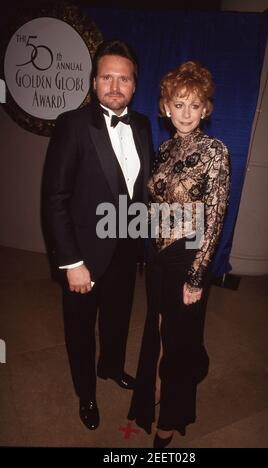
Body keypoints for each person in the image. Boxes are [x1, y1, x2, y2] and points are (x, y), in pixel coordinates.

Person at [42, 40, 153, 430]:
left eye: (123, 78)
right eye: (107, 76)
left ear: (134, 86)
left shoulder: (140, 125)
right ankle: (86, 393)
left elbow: (140, 190)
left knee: (119, 318)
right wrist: (71, 262)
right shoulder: (72, 124)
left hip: (126, 249)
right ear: (93, 82)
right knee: (80, 330)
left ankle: (111, 367)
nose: (115, 85)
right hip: (83, 255)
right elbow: (55, 198)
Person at [128, 61, 230, 447]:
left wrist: (196, 276)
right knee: (157, 329)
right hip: (157, 258)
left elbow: (216, 218)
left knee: (179, 339)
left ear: (205, 109)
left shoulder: (214, 151)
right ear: (166, 106)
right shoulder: (166, 148)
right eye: (178, 103)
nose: (186, 112)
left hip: (189, 257)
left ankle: (170, 418)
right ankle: (154, 384)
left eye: (194, 104)